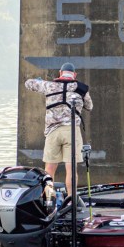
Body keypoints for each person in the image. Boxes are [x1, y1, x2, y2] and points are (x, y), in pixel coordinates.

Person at [24, 62, 93, 199]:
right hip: (71, 132)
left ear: (60, 73)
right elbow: (89, 106)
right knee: (71, 169)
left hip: (52, 132)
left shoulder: (49, 86)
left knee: (49, 169)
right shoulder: (81, 88)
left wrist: (39, 81)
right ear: (74, 75)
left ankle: (48, 200)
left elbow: (28, 83)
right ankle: (71, 200)